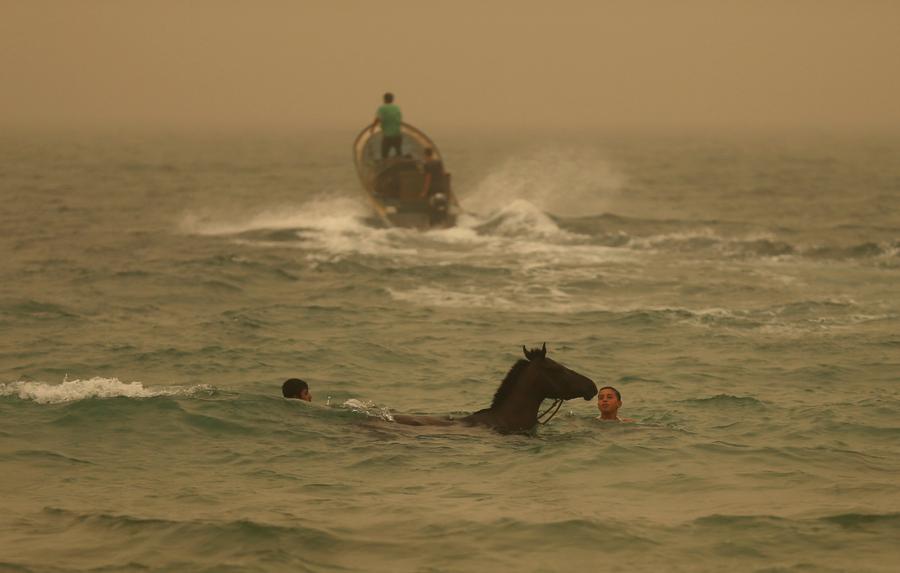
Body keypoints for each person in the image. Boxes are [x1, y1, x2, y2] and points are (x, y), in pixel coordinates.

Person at [370, 92, 403, 159]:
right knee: (399, 153)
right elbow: (399, 120)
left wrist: (372, 128)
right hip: (398, 135)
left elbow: (377, 119)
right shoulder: (397, 108)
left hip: (388, 136)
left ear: (384, 99)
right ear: (392, 99)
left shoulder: (382, 108)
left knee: (384, 155)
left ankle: (386, 165)